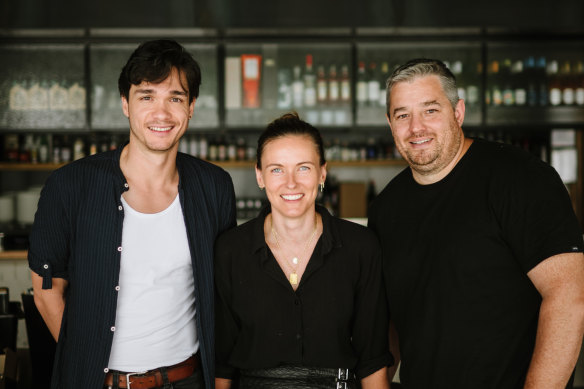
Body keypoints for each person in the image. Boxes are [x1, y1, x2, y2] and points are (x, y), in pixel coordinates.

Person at [28, 39, 236, 389]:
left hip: (188, 379)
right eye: (146, 96)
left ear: (191, 107)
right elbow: (46, 289)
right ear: (125, 104)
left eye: (175, 98)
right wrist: (88, 361)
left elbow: (224, 293)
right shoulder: (70, 185)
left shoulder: (214, 186)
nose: (161, 113)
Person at [368, 58, 584, 388]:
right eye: (402, 115)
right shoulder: (386, 209)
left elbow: (569, 295)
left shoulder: (519, 179)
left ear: (458, 112)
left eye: (430, 110)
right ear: (389, 123)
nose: (416, 127)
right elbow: (392, 326)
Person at [215, 112, 392, 389]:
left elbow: (373, 358)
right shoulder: (230, 250)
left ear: (323, 172)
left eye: (303, 168)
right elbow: (221, 362)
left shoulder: (361, 247)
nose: (291, 183)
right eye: (276, 169)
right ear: (259, 176)